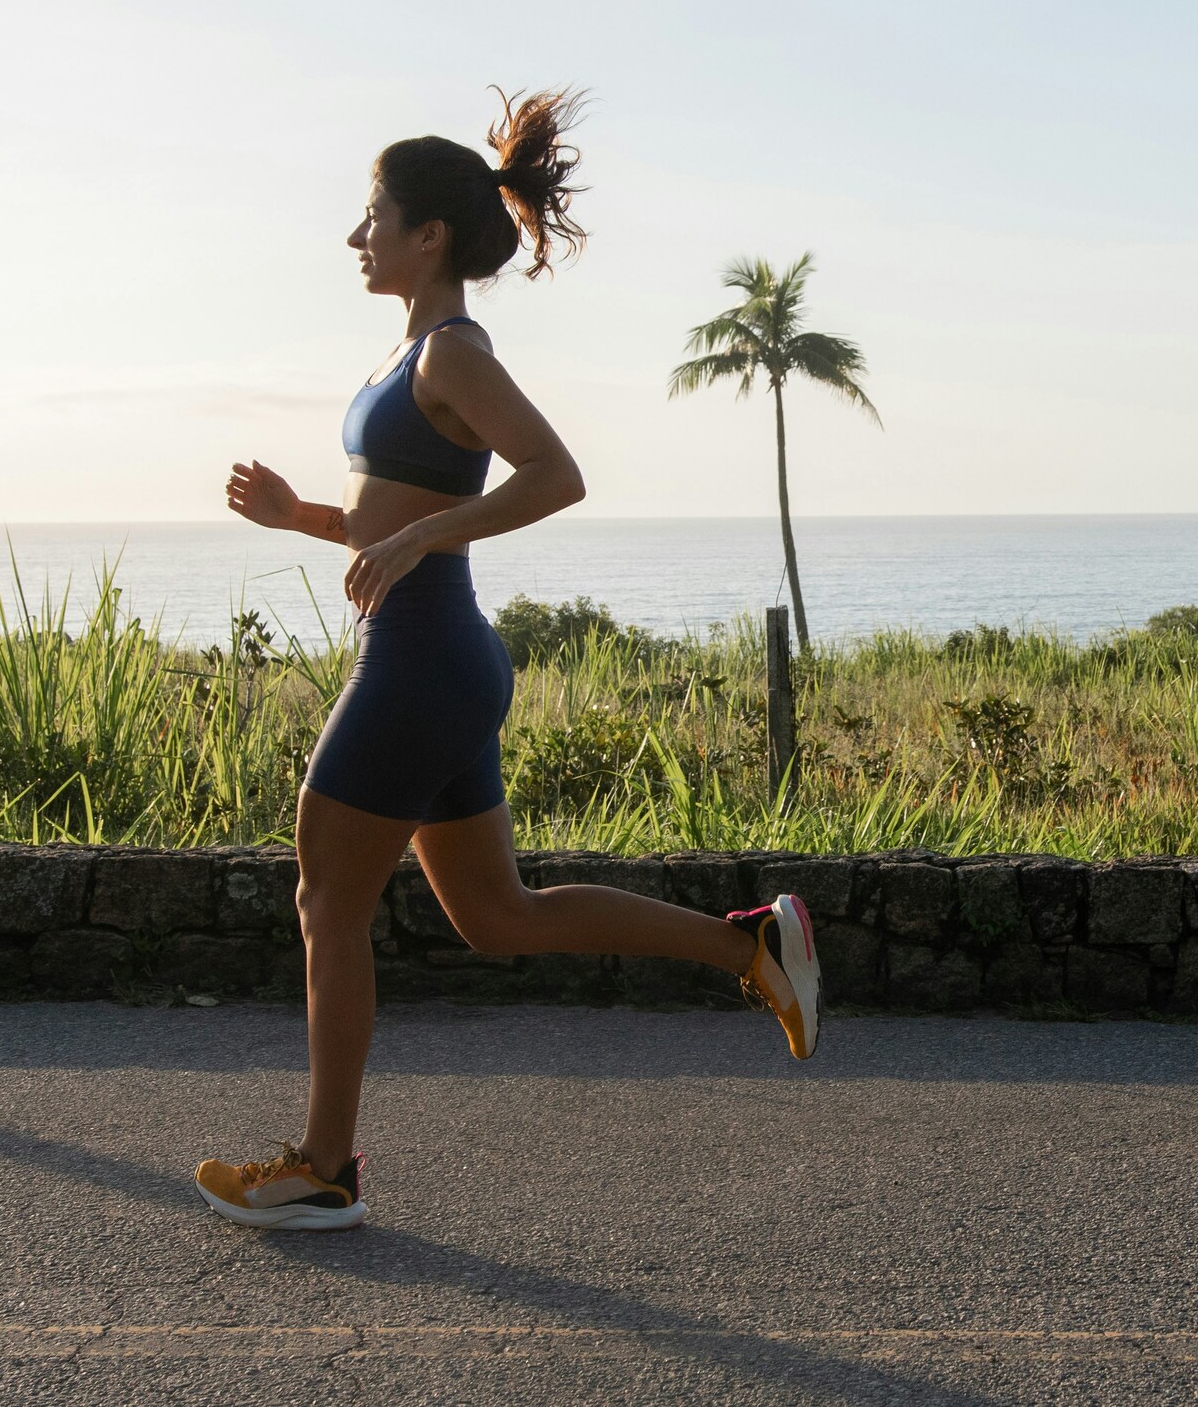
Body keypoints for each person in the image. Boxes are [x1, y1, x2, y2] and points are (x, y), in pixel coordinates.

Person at [194, 90, 819, 1232]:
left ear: (428, 233)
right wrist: (306, 520)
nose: (355, 235)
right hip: (441, 655)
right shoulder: (409, 355)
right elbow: (397, 517)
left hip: (420, 661)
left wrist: (421, 534)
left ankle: (324, 1166)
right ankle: (750, 946)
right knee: (499, 915)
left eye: (372, 213)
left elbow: (555, 473)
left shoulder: (452, 352)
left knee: (325, 898)